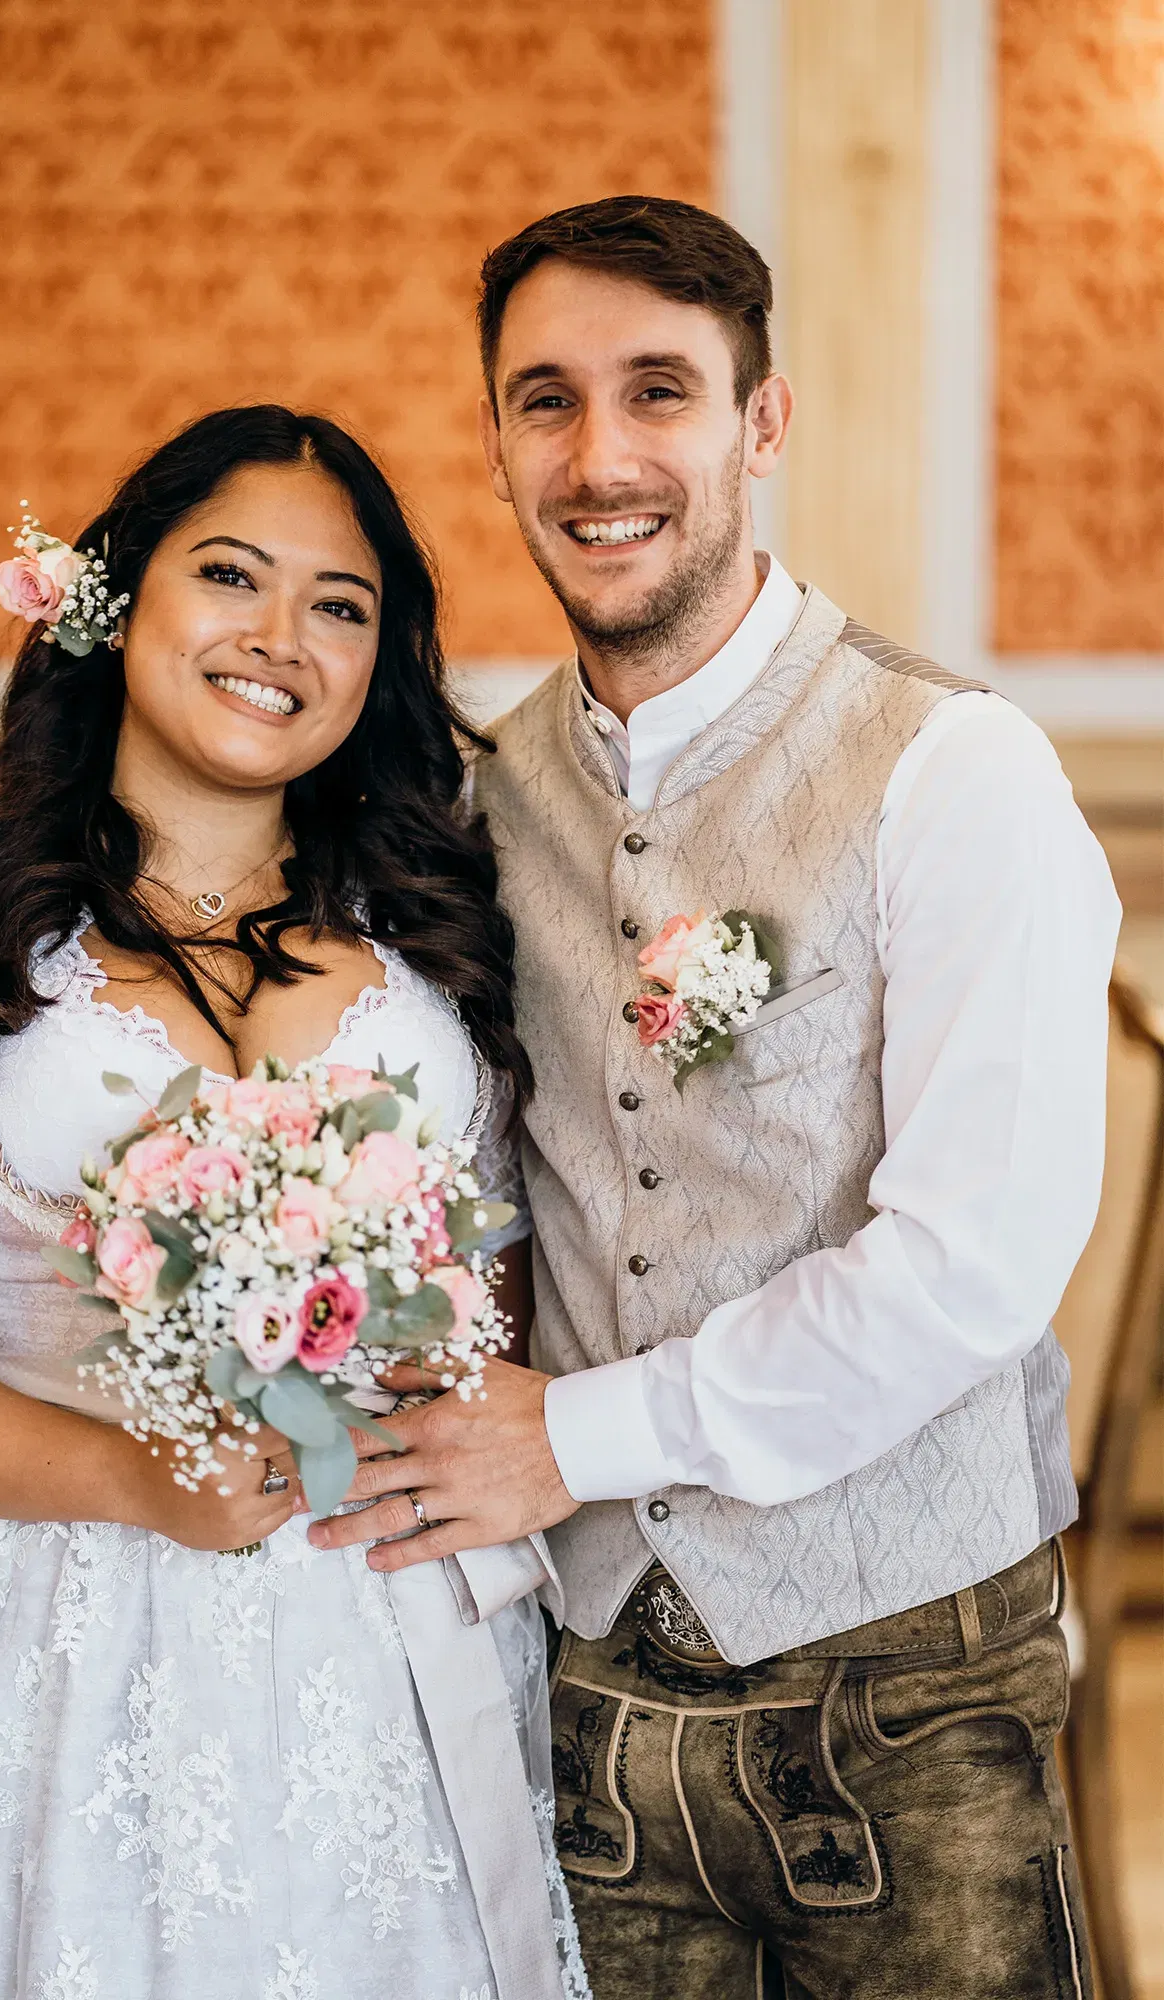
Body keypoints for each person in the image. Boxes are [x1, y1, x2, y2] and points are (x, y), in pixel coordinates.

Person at [309, 197, 1120, 1998]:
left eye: (658, 391)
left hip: (905, 1697)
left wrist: (571, 1441)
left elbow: (975, 1265)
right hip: (583, 1686)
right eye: (546, 400)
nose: (599, 458)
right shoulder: (476, 801)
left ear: (764, 423)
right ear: (496, 442)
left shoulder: (953, 769)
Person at [0, 406, 589, 2000]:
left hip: (393, 1615)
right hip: (63, 1615)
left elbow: (491, 1297)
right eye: (229, 575)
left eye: (339, 606)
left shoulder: (437, 939)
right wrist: (137, 1481)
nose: (280, 638)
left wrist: (423, 1369)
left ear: (378, 663)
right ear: (114, 599)